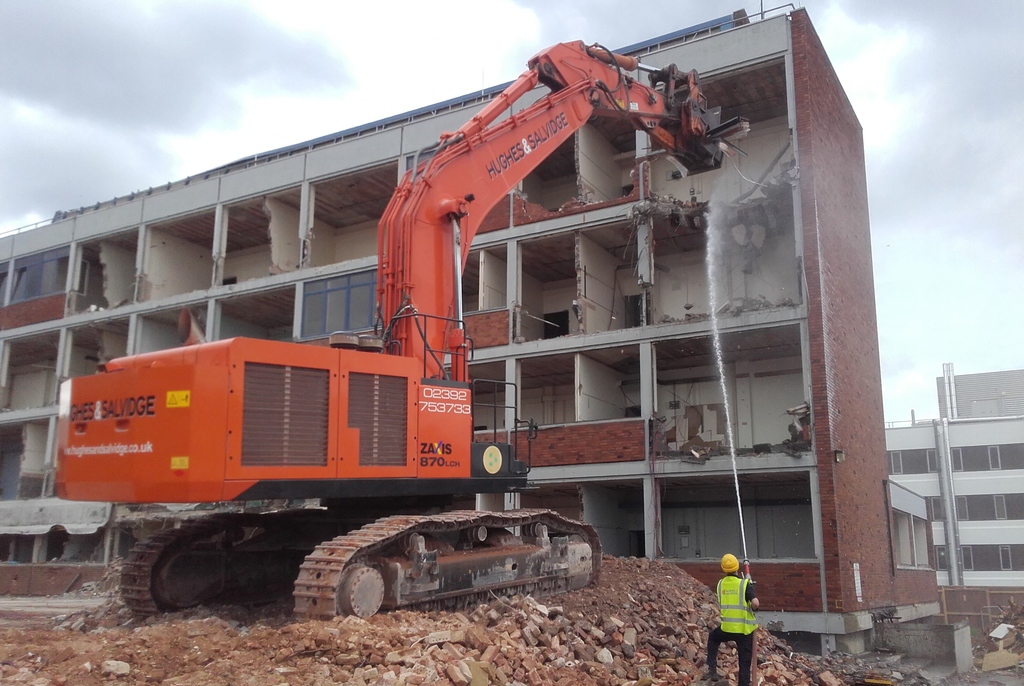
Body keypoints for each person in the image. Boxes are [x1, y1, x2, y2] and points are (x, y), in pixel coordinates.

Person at [705, 553, 759, 686]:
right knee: (744, 664)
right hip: (744, 631)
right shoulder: (744, 584)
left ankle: (712, 669)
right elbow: (756, 603)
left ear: (724, 568)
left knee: (713, 637)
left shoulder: (721, 584)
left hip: (727, 628)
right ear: (737, 567)